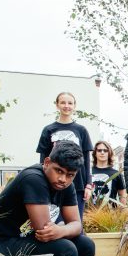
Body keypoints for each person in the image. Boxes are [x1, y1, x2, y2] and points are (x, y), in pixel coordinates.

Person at [36, 92, 93, 220]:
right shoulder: (48, 130)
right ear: (57, 105)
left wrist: (88, 185)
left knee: (75, 222)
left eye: (70, 103)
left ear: (74, 106)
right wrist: (42, 182)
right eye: (63, 102)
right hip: (53, 184)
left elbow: (87, 160)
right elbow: (43, 160)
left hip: (77, 184)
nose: (66, 106)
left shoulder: (81, 130)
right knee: (55, 222)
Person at [90, 140, 127, 206]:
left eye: (105, 150)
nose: (102, 152)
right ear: (95, 153)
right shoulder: (88, 172)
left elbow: (122, 196)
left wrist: (122, 211)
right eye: (99, 150)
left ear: (109, 153)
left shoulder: (117, 174)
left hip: (110, 211)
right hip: (89, 211)